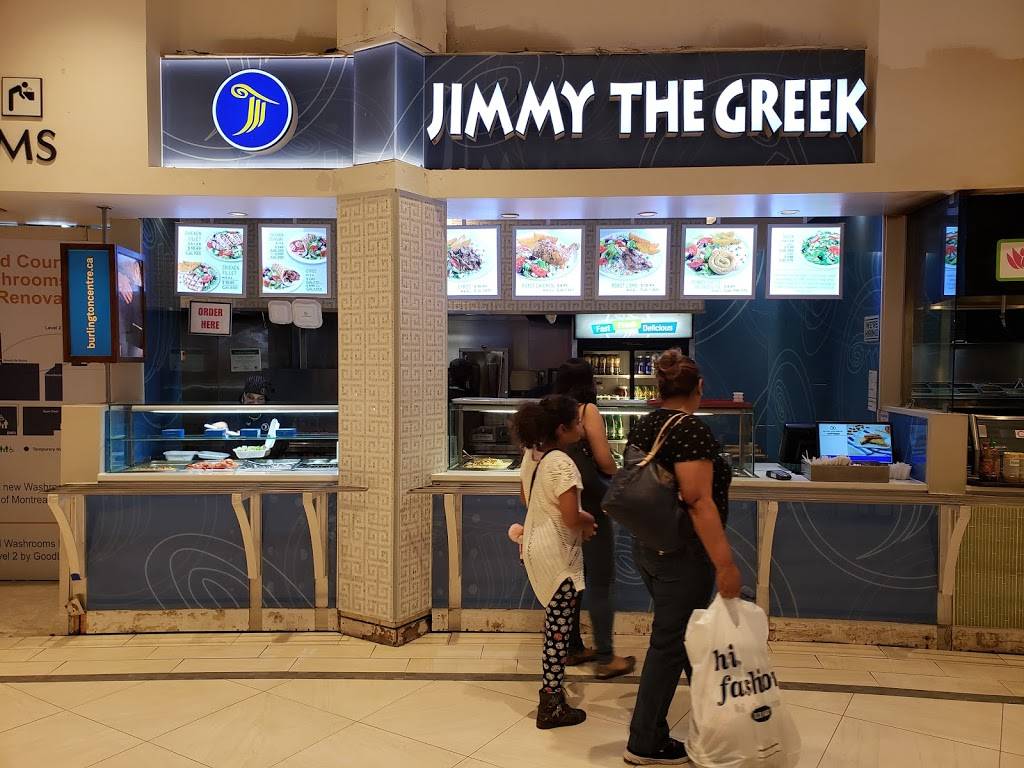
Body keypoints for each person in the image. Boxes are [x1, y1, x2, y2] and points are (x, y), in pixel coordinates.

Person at [624, 350, 743, 766]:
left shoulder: (646, 423)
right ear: (699, 387)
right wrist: (725, 563)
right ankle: (645, 741)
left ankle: (715, 721)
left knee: (686, 637)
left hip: (649, 547)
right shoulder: (691, 429)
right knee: (671, 643)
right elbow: (697, 500)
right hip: (683, 554)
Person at [512, 395, 597, 730]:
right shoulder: (562, 462)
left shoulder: (535, 456)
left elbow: (527, 498)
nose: (581, 426)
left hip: (537, 548)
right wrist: (588, 520)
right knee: (558, 633)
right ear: (562, 429)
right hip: (557, 557)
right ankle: (550, 704)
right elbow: (571, 516)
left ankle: (553, 694)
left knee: (554, 628)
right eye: (577, 421)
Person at [553, 358, 635, 679]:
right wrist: (616, 471)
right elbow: (603, 459)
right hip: (589, 503)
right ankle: (605, 657)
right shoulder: (586, 410)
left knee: (570, 579)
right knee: (600, 580)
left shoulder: (551, 411)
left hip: (561, 502)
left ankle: (572, 648)